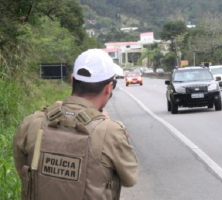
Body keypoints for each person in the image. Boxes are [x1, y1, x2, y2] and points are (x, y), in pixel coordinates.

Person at [13, 49, 139, 200]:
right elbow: (130, 178)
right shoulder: (110, 131)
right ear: (108, 88)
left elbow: (23, 172)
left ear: (72, 80)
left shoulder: (32, 122)